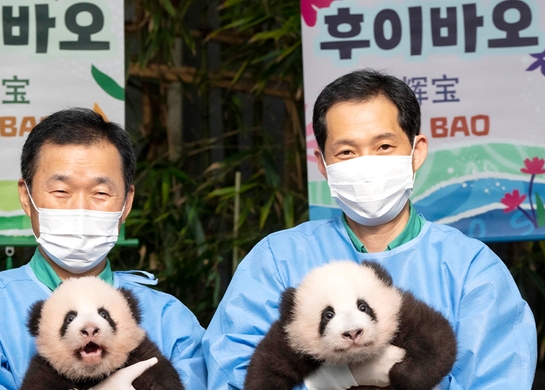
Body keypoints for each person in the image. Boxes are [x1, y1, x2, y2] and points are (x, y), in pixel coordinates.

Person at [202, 69, 537, 389]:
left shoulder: (471, 270)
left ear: (416, 152)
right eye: (346, 152)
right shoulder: (277, 261)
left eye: (384, 147)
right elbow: (230, 374)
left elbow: (500, 378)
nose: (366, 164)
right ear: (322, 164)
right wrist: (321, 383)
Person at [0, 108, 207, 389]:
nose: (80, 208)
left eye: (101, 193)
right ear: (26, 195)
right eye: (61, 191)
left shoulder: (170, 319)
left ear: (126, 203)